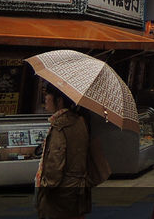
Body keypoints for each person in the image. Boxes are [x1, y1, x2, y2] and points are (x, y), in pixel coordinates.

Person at [36, 84, 92, 219]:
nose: (45, 98)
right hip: (78, 189)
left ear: (59, 100)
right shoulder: (80, 120)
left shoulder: (60, 125)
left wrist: (45, 186)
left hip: (61, 192)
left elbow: (55, 161)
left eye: (48, 95)